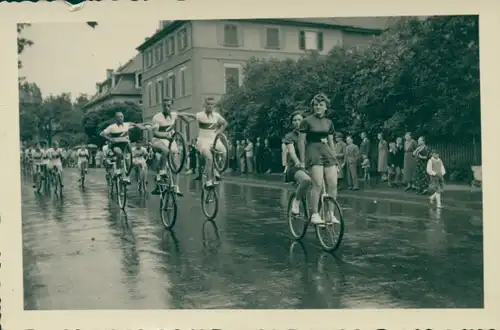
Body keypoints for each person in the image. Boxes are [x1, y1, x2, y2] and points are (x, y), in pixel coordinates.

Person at [297, 93, 339, 225]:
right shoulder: (307, 121)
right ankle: (315, 213)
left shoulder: (329, 122)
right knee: (318, 184)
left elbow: (331, 141)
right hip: (313, 151)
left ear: (326, 107)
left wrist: (335, 159)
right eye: (315, 105)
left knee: (333, 184)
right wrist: (303, 160)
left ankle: (330, 214)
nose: (318, 107)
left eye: (321, 105)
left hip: (326, 151)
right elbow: (301, 141)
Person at [182, 97, 228, 188]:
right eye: (208, 104)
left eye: (212, 105)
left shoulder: (216, 115)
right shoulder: (200, 115)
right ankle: (208, 181)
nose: (210, 106)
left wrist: (219, 132)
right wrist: (182, 114)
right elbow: (189, 117)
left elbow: (225, 123)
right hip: (203, 141)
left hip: (214, 140)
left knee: (224, 152)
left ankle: (217, 170)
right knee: (209, 158)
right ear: (205, 105)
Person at [150, 97, 191, 196]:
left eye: (168, 106)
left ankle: (176, 187)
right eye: (164, 106)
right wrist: (165, 136)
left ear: (171, 106)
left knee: (176, 164)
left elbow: (186, 120)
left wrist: (184, 118)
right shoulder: (156, 117)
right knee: (165, 151)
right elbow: (155, 133)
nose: (166, 108)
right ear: (162, 106)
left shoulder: (173, 115)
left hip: (171, 140)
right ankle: (161, 171)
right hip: (158, 140)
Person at [100, 111, 147, 184]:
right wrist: (110, 139)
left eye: (121, 116)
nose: (120, 118)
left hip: (126, 145)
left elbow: (134, 124)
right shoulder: (112, 127)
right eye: (118, 117)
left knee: (129, 161)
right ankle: (118, 170)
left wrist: (142, 127)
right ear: (116, 118)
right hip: (116, 145)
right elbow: (102, 134)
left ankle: (126, 177)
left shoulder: (126, 125)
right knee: (119, 154)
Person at [283, 111, 312, 215]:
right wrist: (297, 162)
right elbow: (291, 151)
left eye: (299, 119)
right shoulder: (290, 136)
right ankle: (296, 201)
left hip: (311, 164)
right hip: (295, 167)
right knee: (306, 180)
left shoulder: (310, 135)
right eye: (294, 120)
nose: (297, 122)